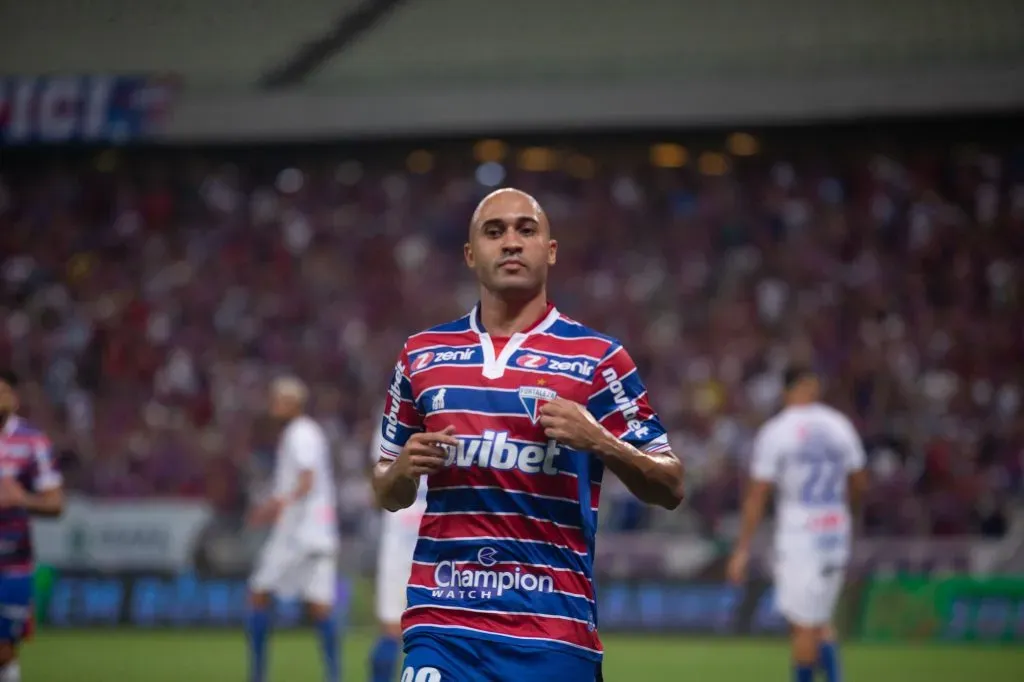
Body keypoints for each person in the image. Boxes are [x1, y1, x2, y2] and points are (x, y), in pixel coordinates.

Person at [371, 188, 685, 682]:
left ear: (550, 251)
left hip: (552, 634)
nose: (511, 243)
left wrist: (600, 440)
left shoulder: (600, 359)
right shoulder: (421, 355)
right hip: (444, 624)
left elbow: (671, 484)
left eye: (526, 230)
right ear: (472, 256)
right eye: (495, 232)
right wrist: (404, 470)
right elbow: (386, 489)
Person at [727, 366, 869, 682]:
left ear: (786, 390)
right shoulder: (839, 425)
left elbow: (757, 495)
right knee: (818, 619)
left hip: (801, 533)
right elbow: (859, 480)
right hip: (835, 530)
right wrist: (846, 514)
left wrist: (742, 549)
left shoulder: (778, 431)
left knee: (803, 626)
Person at [246, 376, 340, 682]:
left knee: (259, 593)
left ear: (291, 403)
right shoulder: (311, 431)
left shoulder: (299, 433)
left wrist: (274, 506)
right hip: (321, 531)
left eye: (277, 399)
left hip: (297, 531)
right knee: (320, 607)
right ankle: (334, 676)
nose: (273, 404)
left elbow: (307, 478)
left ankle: (258, 675)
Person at [0, 370, 64, 682]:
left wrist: (22, 498)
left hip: (12, 562)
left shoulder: (32, 441)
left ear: (13, 399)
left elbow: (55, 503)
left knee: (4, 650)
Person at [369, 420, 427, 682]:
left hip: (404, 536)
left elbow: (380, 486)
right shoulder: (456, 417)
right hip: (437, 536)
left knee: (392, 628)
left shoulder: (393, 425)